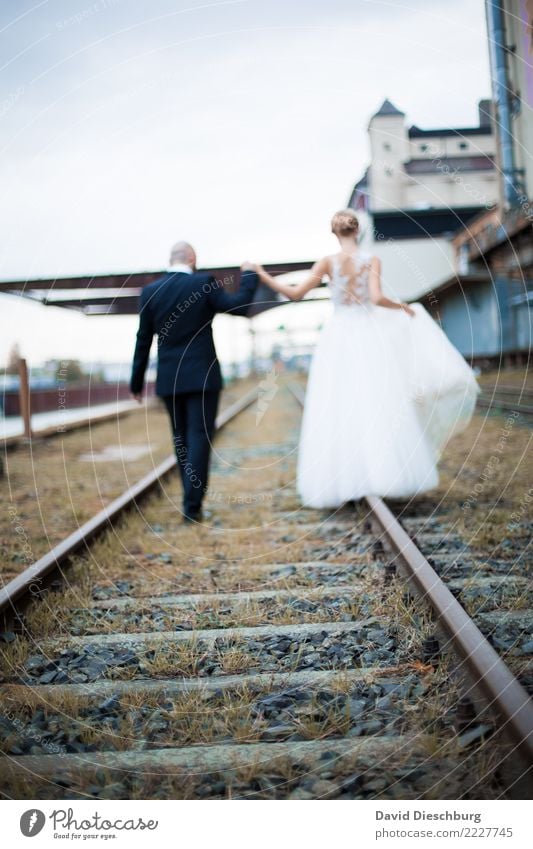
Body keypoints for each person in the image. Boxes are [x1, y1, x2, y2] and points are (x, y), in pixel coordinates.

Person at [253, 209, 479, 508]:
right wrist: (404, 307)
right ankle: (385, 474)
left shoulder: (327, 262)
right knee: (378, 400)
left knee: (338, 404)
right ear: (357, 231)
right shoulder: (371, 260)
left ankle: (342, 478)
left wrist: (261, 274)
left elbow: (295, 294)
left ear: (334, 233)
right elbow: (376, 299)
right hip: (369, 336)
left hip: (337, 337)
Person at [130, 241, 258, 522]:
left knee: (181, 438)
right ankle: (192, 505)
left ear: (170, 259)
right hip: (202, 377)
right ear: (191, 259)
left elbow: (143, 339)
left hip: (170, 380)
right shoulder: (204, 284)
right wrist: (249, 275)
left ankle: (191, 499)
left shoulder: (151, 292)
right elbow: (239, 307)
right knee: (200, 436)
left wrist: (136, 383)